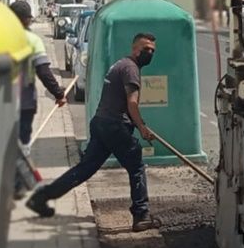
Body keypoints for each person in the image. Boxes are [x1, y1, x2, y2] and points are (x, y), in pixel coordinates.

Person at [25, 33, 162, 232]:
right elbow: (132, 103)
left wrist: (139, 125)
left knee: (85, 169)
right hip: (114, 126)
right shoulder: (131, 69)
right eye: (145, 48)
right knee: (137, 167)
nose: (149, 53)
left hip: (101, 123)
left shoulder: (120, 64)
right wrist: (141, 127)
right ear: (135, 49)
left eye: (152, 50)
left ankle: (41, 198)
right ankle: (141, 215)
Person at [11, 0, 66, 148]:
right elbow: (43, 72)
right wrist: (59, 94)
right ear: (25, 19)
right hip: (24, 101)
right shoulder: (33, 40)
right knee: (21, 148)